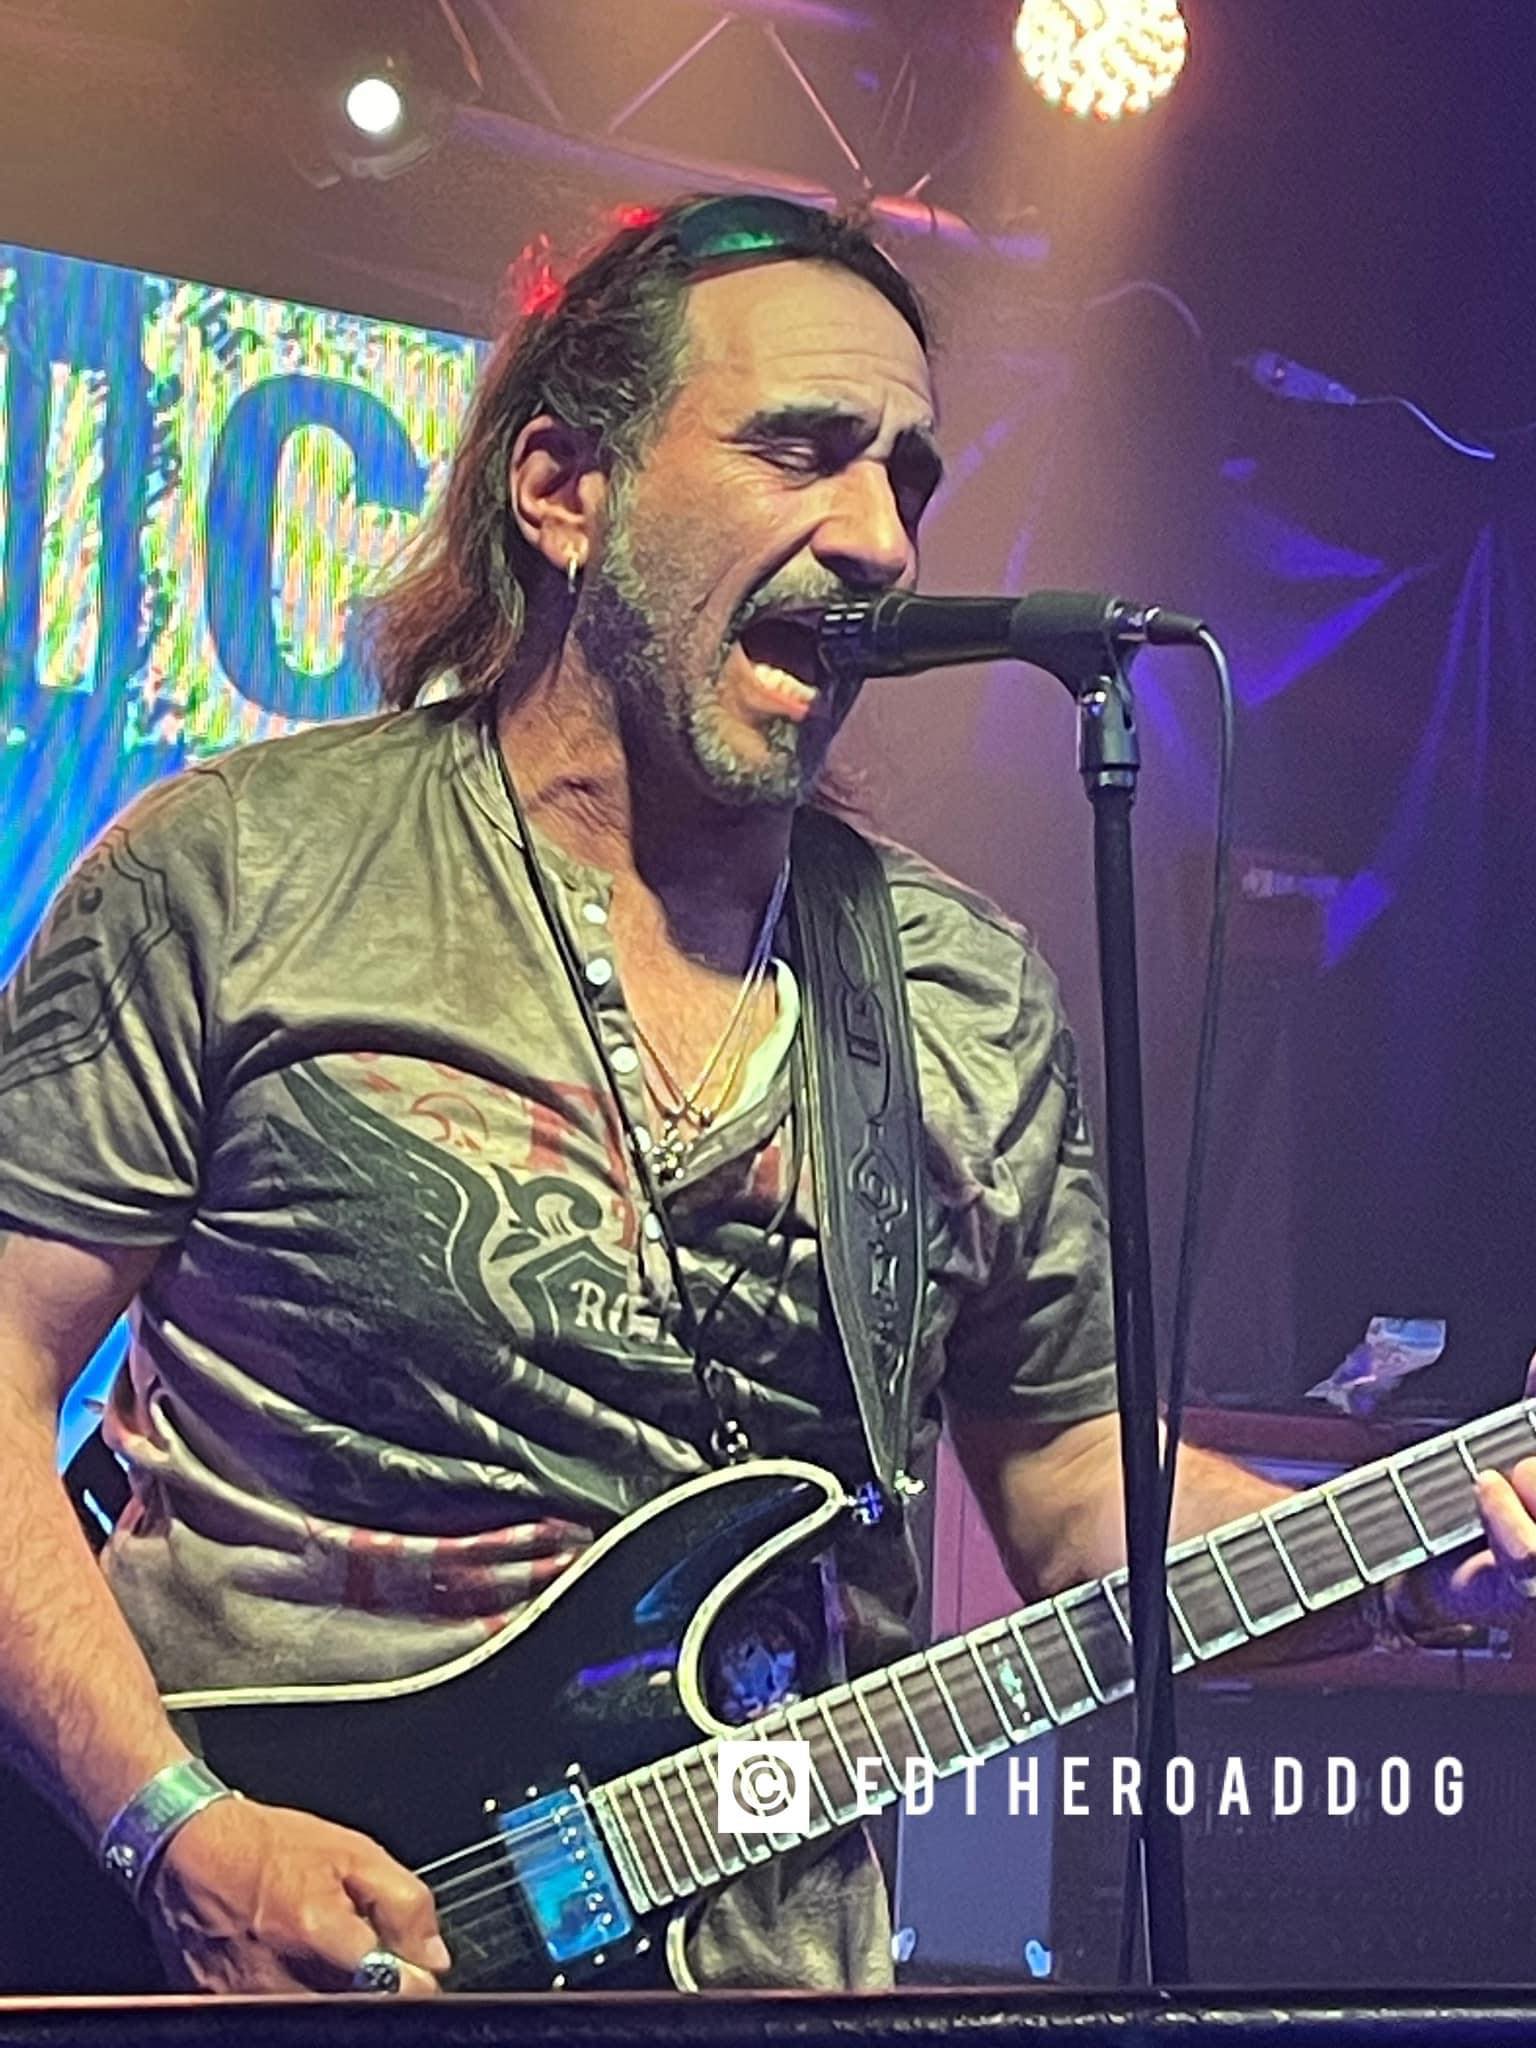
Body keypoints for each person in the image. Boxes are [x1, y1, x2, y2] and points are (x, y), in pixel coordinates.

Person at [0, 192, 1533, 2000]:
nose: (880, 537)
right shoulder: (238, 870)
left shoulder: (959, 995)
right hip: (262, 1952)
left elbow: (1077, 1501)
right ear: (562, 489)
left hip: (772, 1980)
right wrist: (168, 1824)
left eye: (909, 478)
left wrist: (1419, 1547)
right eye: (801, 450)